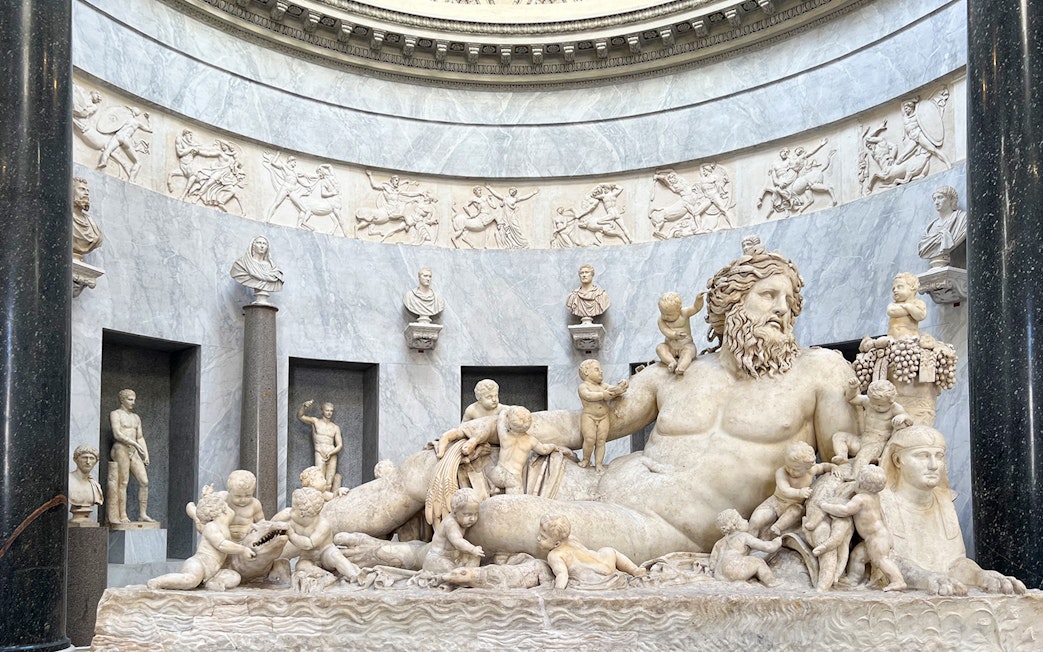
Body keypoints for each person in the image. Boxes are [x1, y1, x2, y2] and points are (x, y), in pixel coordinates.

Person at [323, 242, 858, 563]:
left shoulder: (820, 373)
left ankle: (408, 557)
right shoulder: (680, 371)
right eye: (768, 295)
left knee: (503, 514)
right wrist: (496, 428)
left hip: (663, 528)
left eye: (790, 299)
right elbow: (587, 425)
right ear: (731, 305)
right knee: (436, 465)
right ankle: (301, 533)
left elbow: (849, 463)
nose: (783, 309)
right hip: (597, 482)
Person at [878, 425, 1026, 595]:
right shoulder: (882, 501)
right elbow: (886, 560)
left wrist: (981, 576)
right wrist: (928, 578)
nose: (934, 465)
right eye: (922, 456)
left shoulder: (945, 501)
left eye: (939, 456)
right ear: (897, 460)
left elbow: (955, 563)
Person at [818, 465, 907, 591]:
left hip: (875, 538)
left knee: (881, 560)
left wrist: (825, 506)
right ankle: (852, 579)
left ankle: (898, 580)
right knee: (857, 556)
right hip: (877, 536)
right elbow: (882, 515)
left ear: (860, 483)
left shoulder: (860, 499)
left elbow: (845, 510)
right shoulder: (875, 497)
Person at [147, 493, 256, 591]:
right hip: (199, 564)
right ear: (221, 511)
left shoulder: (224, 528)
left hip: (214, 571)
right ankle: (158, 581)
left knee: (234, 577)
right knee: (190, 580)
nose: (231, 511)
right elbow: (222, 545)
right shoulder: (211, 527)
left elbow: (232, 544)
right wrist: (243, 550)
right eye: (227, 507)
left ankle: (214, 583)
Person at [747, 441, 836, 539]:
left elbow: (823, 467)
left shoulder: (811, 471)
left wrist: (833, 467)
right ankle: (748, 540)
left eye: (795, 469)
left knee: (796, 511)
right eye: (788, 466)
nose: (790, 470)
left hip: (794, 505)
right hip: (776, 502)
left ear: (807, 468)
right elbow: (785, 490)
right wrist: (799, 492)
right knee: (756, 519)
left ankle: (777, 528)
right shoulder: (781, 472)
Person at [538, 513, 645, 590]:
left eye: (543, 537)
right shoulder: (571, 539)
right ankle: (634, 570)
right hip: (606, 563)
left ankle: (634, 570)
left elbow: (562, 575)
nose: (538, 538)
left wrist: (557, 592)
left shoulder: (555, 555)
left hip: (596, 576)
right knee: (609, 550)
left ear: (557, 544)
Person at [277, 487, 363, 583]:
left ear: (302, 513)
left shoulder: (322, 525)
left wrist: (291, 534)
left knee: (335, 556)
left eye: (293, 509)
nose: (289, 511)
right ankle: (324, 575)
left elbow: (308, 544)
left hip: (325, 553)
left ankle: (354, 576)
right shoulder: (291, 520)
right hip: (308, 557)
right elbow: (269, 525)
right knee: (300, 566)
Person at [831, 379, 912, 477]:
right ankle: (843, 458)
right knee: (839, 436)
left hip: (878, 445)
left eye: (880, 405)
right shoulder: (867, 401)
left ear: (891, 401)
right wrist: (853, 388)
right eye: (873, 403)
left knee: (863, 455)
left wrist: (903, 417)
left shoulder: (895, 408)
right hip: (862, 440)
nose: (876, 407)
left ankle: (855, 476)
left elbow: (910, 421)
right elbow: (851, 399)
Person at [108, 389, 155, 524]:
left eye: (134, 399)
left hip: (134, 451)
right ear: (122, 400)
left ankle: (142, 514)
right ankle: (122, 514)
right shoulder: (115, 414)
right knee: (123, 482)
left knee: (144, 482)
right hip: (120, 449)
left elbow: (140, 437)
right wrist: (133, 442)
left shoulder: (136, 418)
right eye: (130, 399)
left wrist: (145, 454)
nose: (133, 402)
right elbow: (117, 434)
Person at [708, 509, 782, 587]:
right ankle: (771, 581)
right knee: (758, 562)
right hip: (733, 569)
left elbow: (712, 564)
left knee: (747, 562)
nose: (746, 520)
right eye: (742, 519)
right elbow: (768, 547)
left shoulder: (719, 542)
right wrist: (777, 542)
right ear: (736, 525)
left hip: (719, 575)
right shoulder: (743, 536)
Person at [576, 360, 628, 471]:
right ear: (586, 372)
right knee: (589, 439)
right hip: (589, 416)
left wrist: (620, 387)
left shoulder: (603, 385)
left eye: (600, 369)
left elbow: (613, 390)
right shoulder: (583, 386)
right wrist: (603, 395)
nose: (601, 372)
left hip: (604, 417)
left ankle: (599, 463)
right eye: (596, 369)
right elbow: (588, 396)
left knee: (601, 441)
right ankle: (586, 459)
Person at [187, 470, 265, 543]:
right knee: (203, 522)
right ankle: (195, 515)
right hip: (223, 539)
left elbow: (261, 522)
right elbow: (207, 507)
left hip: (247, 540)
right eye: (238, 496)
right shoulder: (223, 498)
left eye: (248, 495)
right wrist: (206, 496)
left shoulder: (255, 504)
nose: (243, 500)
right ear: (229, 490)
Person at [422, 488, 485, 574]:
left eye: (475, 514)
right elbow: (457, 541)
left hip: (454, 556)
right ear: (455, 513)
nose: (472, 518)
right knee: (450, 570)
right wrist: (472, 549)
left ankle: (468, 575)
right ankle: (461, 576)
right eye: (467, 514)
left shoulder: (463, 521)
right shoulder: (451, 524)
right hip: (438, 557)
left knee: (475, 556)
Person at [298, 400, 343, 492]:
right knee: (319, 480)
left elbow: (339, 445)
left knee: (329, 483)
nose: (329, 413)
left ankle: (328, 504)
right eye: (327, 410)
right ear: (322, 411)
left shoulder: (335, 427)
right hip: (320, 453)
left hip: (332, 454)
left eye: (331, 411)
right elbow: (301, 416)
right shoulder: (315, 421)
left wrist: (331, 453)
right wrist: (304, 407)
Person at [917, 185, 967, 267]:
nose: (936, 202)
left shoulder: (962, 219)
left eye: (940, 197)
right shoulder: (931, 227)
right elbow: (923, 249)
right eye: (934, 199)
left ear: (951, 199)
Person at [655, 291, 704, 375]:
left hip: (685, 345)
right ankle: (671, 362)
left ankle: (682, 366)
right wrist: (674, 334)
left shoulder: (684, 313)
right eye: (663, 313)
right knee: (660, 348)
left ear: (678, 310)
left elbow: (696, 308)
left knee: (689, 352)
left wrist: (699, 299)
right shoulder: (661, 320)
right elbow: (665, 331)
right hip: (670, 346)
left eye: (669, 314)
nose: (666, 317)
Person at [230, 235, 284, 303]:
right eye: (259, 243)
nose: (262, 246)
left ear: (267, 247)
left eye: (264, 244)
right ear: (253, 246)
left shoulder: (274, 269)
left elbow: (277, 278)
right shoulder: (241, 264)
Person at [68, 445, 104, 526]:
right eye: (84, 458)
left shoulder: (95, 485)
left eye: (92, 458)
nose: (88, 462)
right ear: (75, 459)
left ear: (96, 461)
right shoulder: (68, 481)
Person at [886, 272, 926, 339]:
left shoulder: (918, 303)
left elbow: (920, 315)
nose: (895, 290)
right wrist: (909, 310)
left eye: (899, 287)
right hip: (892, 339)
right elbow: (891, 311)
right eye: (893, 289)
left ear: (912, 287)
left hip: (910, 338)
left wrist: (909, 306)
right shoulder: (893, 304)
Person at [71, 177, 103, 260]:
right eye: (82, 189)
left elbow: (97, 239)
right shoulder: (62, 219)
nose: (86, 193)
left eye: (87, 190)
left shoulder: (93, 226)